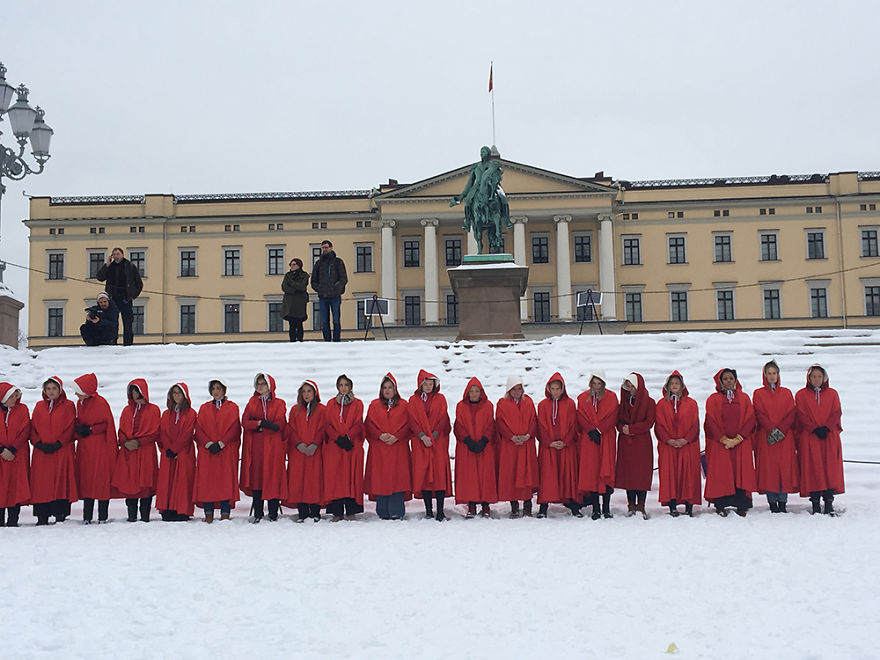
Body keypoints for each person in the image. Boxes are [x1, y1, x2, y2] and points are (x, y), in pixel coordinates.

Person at [703, 368, 757, 517]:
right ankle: (721, 504)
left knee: (740, 473)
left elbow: (750, 419)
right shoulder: (713, 399)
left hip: (740, 443)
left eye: (731, 378)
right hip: (722, 444)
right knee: (722, 473)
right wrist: (724, 439)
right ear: (720, 381)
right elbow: (711, 421)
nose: (728, 381)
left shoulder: (744, 398)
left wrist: (738, 438)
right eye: (725, 379)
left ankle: (741, 504)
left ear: (736, 380)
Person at [795, 364, 844, 515]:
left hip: (828, 437)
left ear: (824, 378)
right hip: (810, 437)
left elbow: (836, 412)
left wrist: (827, 427)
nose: (816, 379)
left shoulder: (833, 394)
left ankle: (828, 501)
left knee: (829, 468)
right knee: (812, 469)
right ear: (808, 378)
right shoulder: (801, 395)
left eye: (819, 376)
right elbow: (800, 414)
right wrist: (814, 428)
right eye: (813, 376)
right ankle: (815, 502)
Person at [30, 377, 78, 525]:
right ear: (44, 391)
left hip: (60, 451)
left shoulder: (69, 405)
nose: (51, 392)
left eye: (54, 388)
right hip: (42, 452)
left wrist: (59, 443)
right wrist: (38, 443)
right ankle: (42, 515)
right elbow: (33, 427)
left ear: (60, 390)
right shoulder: (38, 406)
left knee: (60, 481)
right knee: (41, 483)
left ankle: (60, 513)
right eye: (48, 389)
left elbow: (70, 426)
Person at [752, 360, 798, 513]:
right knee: (769, 470)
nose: (772, 376)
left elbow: (791, 413)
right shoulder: (758, 393)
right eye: (769, 373)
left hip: (784, 438)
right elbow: (759, 413)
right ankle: (772, 501)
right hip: (767, 437)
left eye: (774, 373)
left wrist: (780, 430)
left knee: (783, 469)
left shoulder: (786, 392)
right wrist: (771, 429)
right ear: (764, 375)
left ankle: (782, 501)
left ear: (778, 375)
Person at [364, 374, 411, 520]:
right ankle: (383, 510)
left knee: (398, 478)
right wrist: (379, 435)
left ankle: (397, 510)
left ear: (395, 389)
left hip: (398, 448)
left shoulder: (404, 405)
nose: (387, 390)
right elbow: (368, 424)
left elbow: (409, 424)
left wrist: (397, 436)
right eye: (384, 388)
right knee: (381, 478)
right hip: (380, 448)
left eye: (390, 387)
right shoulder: (374, 405)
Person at [112, 379, 160, 523]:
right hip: (129, 453)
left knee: (145, 482)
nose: (135, 394)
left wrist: (139, 442)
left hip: (144, 451)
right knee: (129, 482)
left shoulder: (154, 410)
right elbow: (121, 430)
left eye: (138, 391)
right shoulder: (127, 410)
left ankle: (145, 515)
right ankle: (131, 515)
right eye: (133, 391)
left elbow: (155, 432)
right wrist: (125, 442)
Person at [241, 373, 287, 522]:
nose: (260, 386)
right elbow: (245, 422)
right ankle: (258, 512)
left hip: (273, 447)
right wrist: (260, 423)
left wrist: (260, 425)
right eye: (258, 384)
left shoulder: (279, 403)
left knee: (272, 476)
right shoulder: (252, 402)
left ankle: (273, 512)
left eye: (263, 384)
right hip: (257, 447)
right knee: (257, 477)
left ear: (270, 385)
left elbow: (279, 425)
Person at [193, 380, 241, 522]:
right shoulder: (204, 408)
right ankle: (208, 513)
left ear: (224, 390)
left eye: (218, 388)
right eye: (213, 388)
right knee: (208, 483)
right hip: (208, 452)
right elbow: (199, 428)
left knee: (224, 481)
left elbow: (235, 428)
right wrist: (208, 444)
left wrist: (221, 443)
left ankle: (225, 512)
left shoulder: (232, 407)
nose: (215, 391)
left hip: (224, 451)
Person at [654, 371, 701, 517]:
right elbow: (659, 425)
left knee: (688, 474)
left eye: (677, 383)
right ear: (667, 386)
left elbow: (695, 424)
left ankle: (689, 505)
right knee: (670, 474)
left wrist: (685, 439)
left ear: (682, 386)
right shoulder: (661, 404)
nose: (674, 386)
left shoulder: (691, 403)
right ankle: (672, 505)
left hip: (687, 446)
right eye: (672, 383)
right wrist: (668, 440)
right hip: (668, 446)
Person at [408, 370, 453, 521]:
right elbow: (412, 420)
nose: (428, 386)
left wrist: (434, 435)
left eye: (430, 384)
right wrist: (422, 436)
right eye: (425, 384)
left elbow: (443, 419)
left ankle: (440, 510)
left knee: (439, 474)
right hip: (421, 442)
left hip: (437, 441)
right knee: (425, 474)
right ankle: (428, 510)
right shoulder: (413, 400)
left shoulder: (441, 399)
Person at [73, 373, 117, 524]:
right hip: (86, 446)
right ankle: (87, 516)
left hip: (99, 447)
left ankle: (102, 516)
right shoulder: (80, 403)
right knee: (87, 479)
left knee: (100, 480)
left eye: (78, 390)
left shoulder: (100, 403)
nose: (75, 393)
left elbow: (106, 424)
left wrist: (91, 429)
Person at [536, 373, 580, 518]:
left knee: (568, 475)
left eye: (557, 388)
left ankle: (573, 505)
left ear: (562, 389)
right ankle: (544, 506)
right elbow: (540, 426)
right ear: (548, 389)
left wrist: (565, 441)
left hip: (566, 447)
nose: (555, 391)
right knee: (548, 476)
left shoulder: (570, 404)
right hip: (549, 447)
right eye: (552, 388)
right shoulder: (542, 405)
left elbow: (574, 425)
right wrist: (549, 442)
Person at [453, 377, 498, 519]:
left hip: (484, 446)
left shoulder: (488, 406)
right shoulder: (461, 406)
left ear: (481, 393)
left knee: (485, 475)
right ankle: (471, 504)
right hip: (468, 447)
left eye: (476, 391)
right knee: (469, 476)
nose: (473, 394)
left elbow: (491, 424)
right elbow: (458, 426)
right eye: (471, 391)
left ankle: (485, 504)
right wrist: (468, 440)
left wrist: (484, 440)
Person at [576, 370, 618, 520]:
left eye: (599, 384)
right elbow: (580, 416)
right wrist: (591, 431)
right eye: (594, 383)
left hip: (606, 438)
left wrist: (600, 430)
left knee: (606, 469)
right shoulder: (582, 398)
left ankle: (606, 507)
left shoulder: (611, 397)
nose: (596, 386)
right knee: (592, 472)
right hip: (589, 439)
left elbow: (613, 416)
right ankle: (596, 508)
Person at [495, 375, 539, 518]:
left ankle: (527, 505)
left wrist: (528, 435)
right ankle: (514, 506)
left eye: (519, 389)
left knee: (526, 474)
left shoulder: (528, 402)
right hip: (510, 445)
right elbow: (500, 422)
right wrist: (511, 436)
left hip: (526, 444)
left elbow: (534, 420)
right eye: (513, 389)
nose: (516, 392)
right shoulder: (502, 403)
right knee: (511, 473)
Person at [323, 374, 365, 521]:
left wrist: (348, 437)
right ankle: (337, 512)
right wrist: (337, 438)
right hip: (335, 447)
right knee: (336, 479)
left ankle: (351, 511)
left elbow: (359, 422)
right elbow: (327, 424)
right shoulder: (330, 404)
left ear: (351, 386)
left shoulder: (358, 403)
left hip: (351, 446)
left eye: (346, 385)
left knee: (350, 478)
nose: (344, 387)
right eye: (341, 385)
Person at [615, 373, 656, 519]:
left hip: (641, 442)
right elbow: (618, 420)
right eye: (629, 386)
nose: (631, 389)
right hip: (626, 442)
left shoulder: (649, 402)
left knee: (641, 473)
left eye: (633, 386)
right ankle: (631, 504)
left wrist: (632, 429)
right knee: (629, 474)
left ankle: (641, 504)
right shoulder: (624, 403)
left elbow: (649, 422)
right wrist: (622, 429)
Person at [285, 380, 325, 522]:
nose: (306, 394)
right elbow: (291, 428)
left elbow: (323, 428)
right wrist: (298, 444)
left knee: (314, 481)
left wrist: (315, 444)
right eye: (304, 391)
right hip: (299, 452)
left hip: (315, 451)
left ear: (315, 393)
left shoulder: (321, 410)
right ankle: (302, 511)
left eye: (309, 391)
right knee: (299, 480)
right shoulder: (295, 410)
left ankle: (315, 511)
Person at [157, 383, 197, 522]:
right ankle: (167, 509)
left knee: (182, 482)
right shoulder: (166, 414)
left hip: (183, 453)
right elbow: (162, 432)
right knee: (167, 481)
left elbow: (187, 434)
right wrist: (168, 449)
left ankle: (182, 510)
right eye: (174, 393)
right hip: (168, 453)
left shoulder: (191, 413)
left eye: (179, 393)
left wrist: (175, 449)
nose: (176, 396)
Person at [96, 247, 143, 346]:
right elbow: (100, 277)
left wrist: (132, 296)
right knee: (112, 323)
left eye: (118, 254)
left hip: (125, 299)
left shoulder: (129, 266)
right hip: (112, 299)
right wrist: (106, 265)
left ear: (122, 254)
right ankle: (113, 343)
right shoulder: (110, 266)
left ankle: (128, 344)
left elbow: (139, 284)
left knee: (128, 323)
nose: (116, 256)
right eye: (114, 254)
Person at [0, 383, 31, 527]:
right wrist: (2, 450)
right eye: (11, 397)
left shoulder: (22, 409)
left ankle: (13, 519)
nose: (14, 399)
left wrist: (12, 449)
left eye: (15, 396)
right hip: (1, 455)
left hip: (17, 454)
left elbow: (25, 430)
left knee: (15, 486)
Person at [310, 240, 348, 342]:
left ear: (331, 248)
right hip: (323, 296)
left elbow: (343, 279)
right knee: (324, 322)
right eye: (323, 248)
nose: (324, 249)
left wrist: (336, 288)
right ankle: (326, 340)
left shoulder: (338, 262)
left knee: (336, 320)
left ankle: (336, 340)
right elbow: (313, 280)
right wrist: (319, 288)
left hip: (335, 296)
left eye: (326, 247)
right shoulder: (318, 264)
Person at [282, 258, 310, 342]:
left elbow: (302, 286)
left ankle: (300, 340)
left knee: (299, 323)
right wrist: (294, 290)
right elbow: (284, 287)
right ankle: (292, 340)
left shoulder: (304, 275)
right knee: (292, 324)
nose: (292, 266)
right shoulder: (288, 275)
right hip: (290, 302)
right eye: (291, 264)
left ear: (299, 265)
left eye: (294, 264)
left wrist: (292, 284)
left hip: (300, 302)